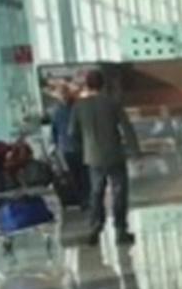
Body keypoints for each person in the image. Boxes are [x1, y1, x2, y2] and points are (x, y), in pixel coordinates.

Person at [70, 70, 141, 247]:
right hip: (115, 155)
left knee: (96, 192)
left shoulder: (79, 106)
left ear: (87, 85)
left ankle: (95, 226)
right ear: (103, 85)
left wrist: (84, 147)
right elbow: (127, 128)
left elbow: (72, 132)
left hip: (93, 157)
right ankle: (120, 230)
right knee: (119, 192)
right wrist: (134, 151)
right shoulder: (112, 103)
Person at [51, 85, 88, 210]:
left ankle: (85, 198)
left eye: (64, 94)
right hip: (68, 148)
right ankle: (82, 199)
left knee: (83, 174)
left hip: (78, 146)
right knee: (76, 175)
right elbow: (54, 130)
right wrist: (55, 145)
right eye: (61, 95)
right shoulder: (58, 111)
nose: (63, 97)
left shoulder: (75, 108)